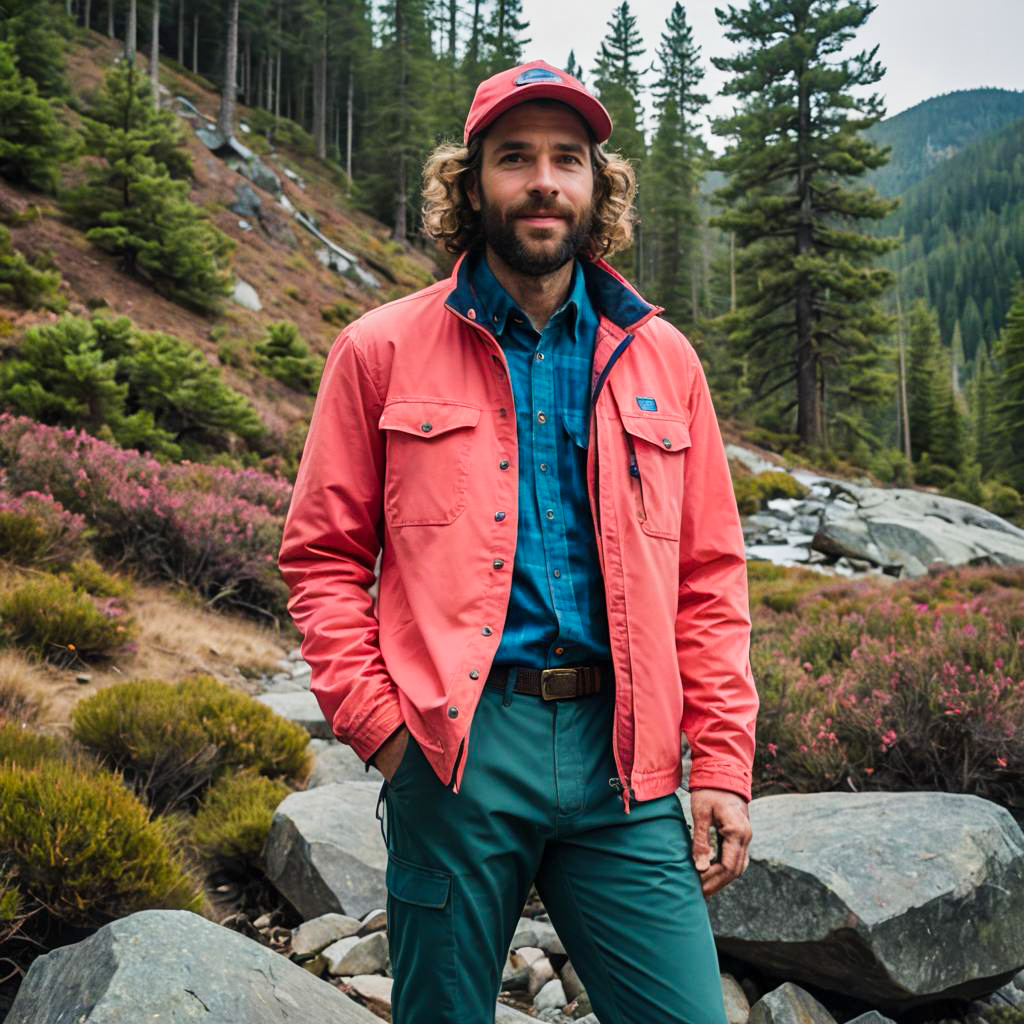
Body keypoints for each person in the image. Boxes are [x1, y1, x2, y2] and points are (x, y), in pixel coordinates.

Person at [278, 59, 759, 1024]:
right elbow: (323, 557)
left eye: (567, 159)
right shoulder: (378, 349)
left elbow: (707, 578)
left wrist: (721, 766)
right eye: (515, 158)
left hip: (623, 760)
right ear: (472, 185)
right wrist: (382, 731)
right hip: (455, 750)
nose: (544, 180)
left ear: (597, 186)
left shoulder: (662, 357)